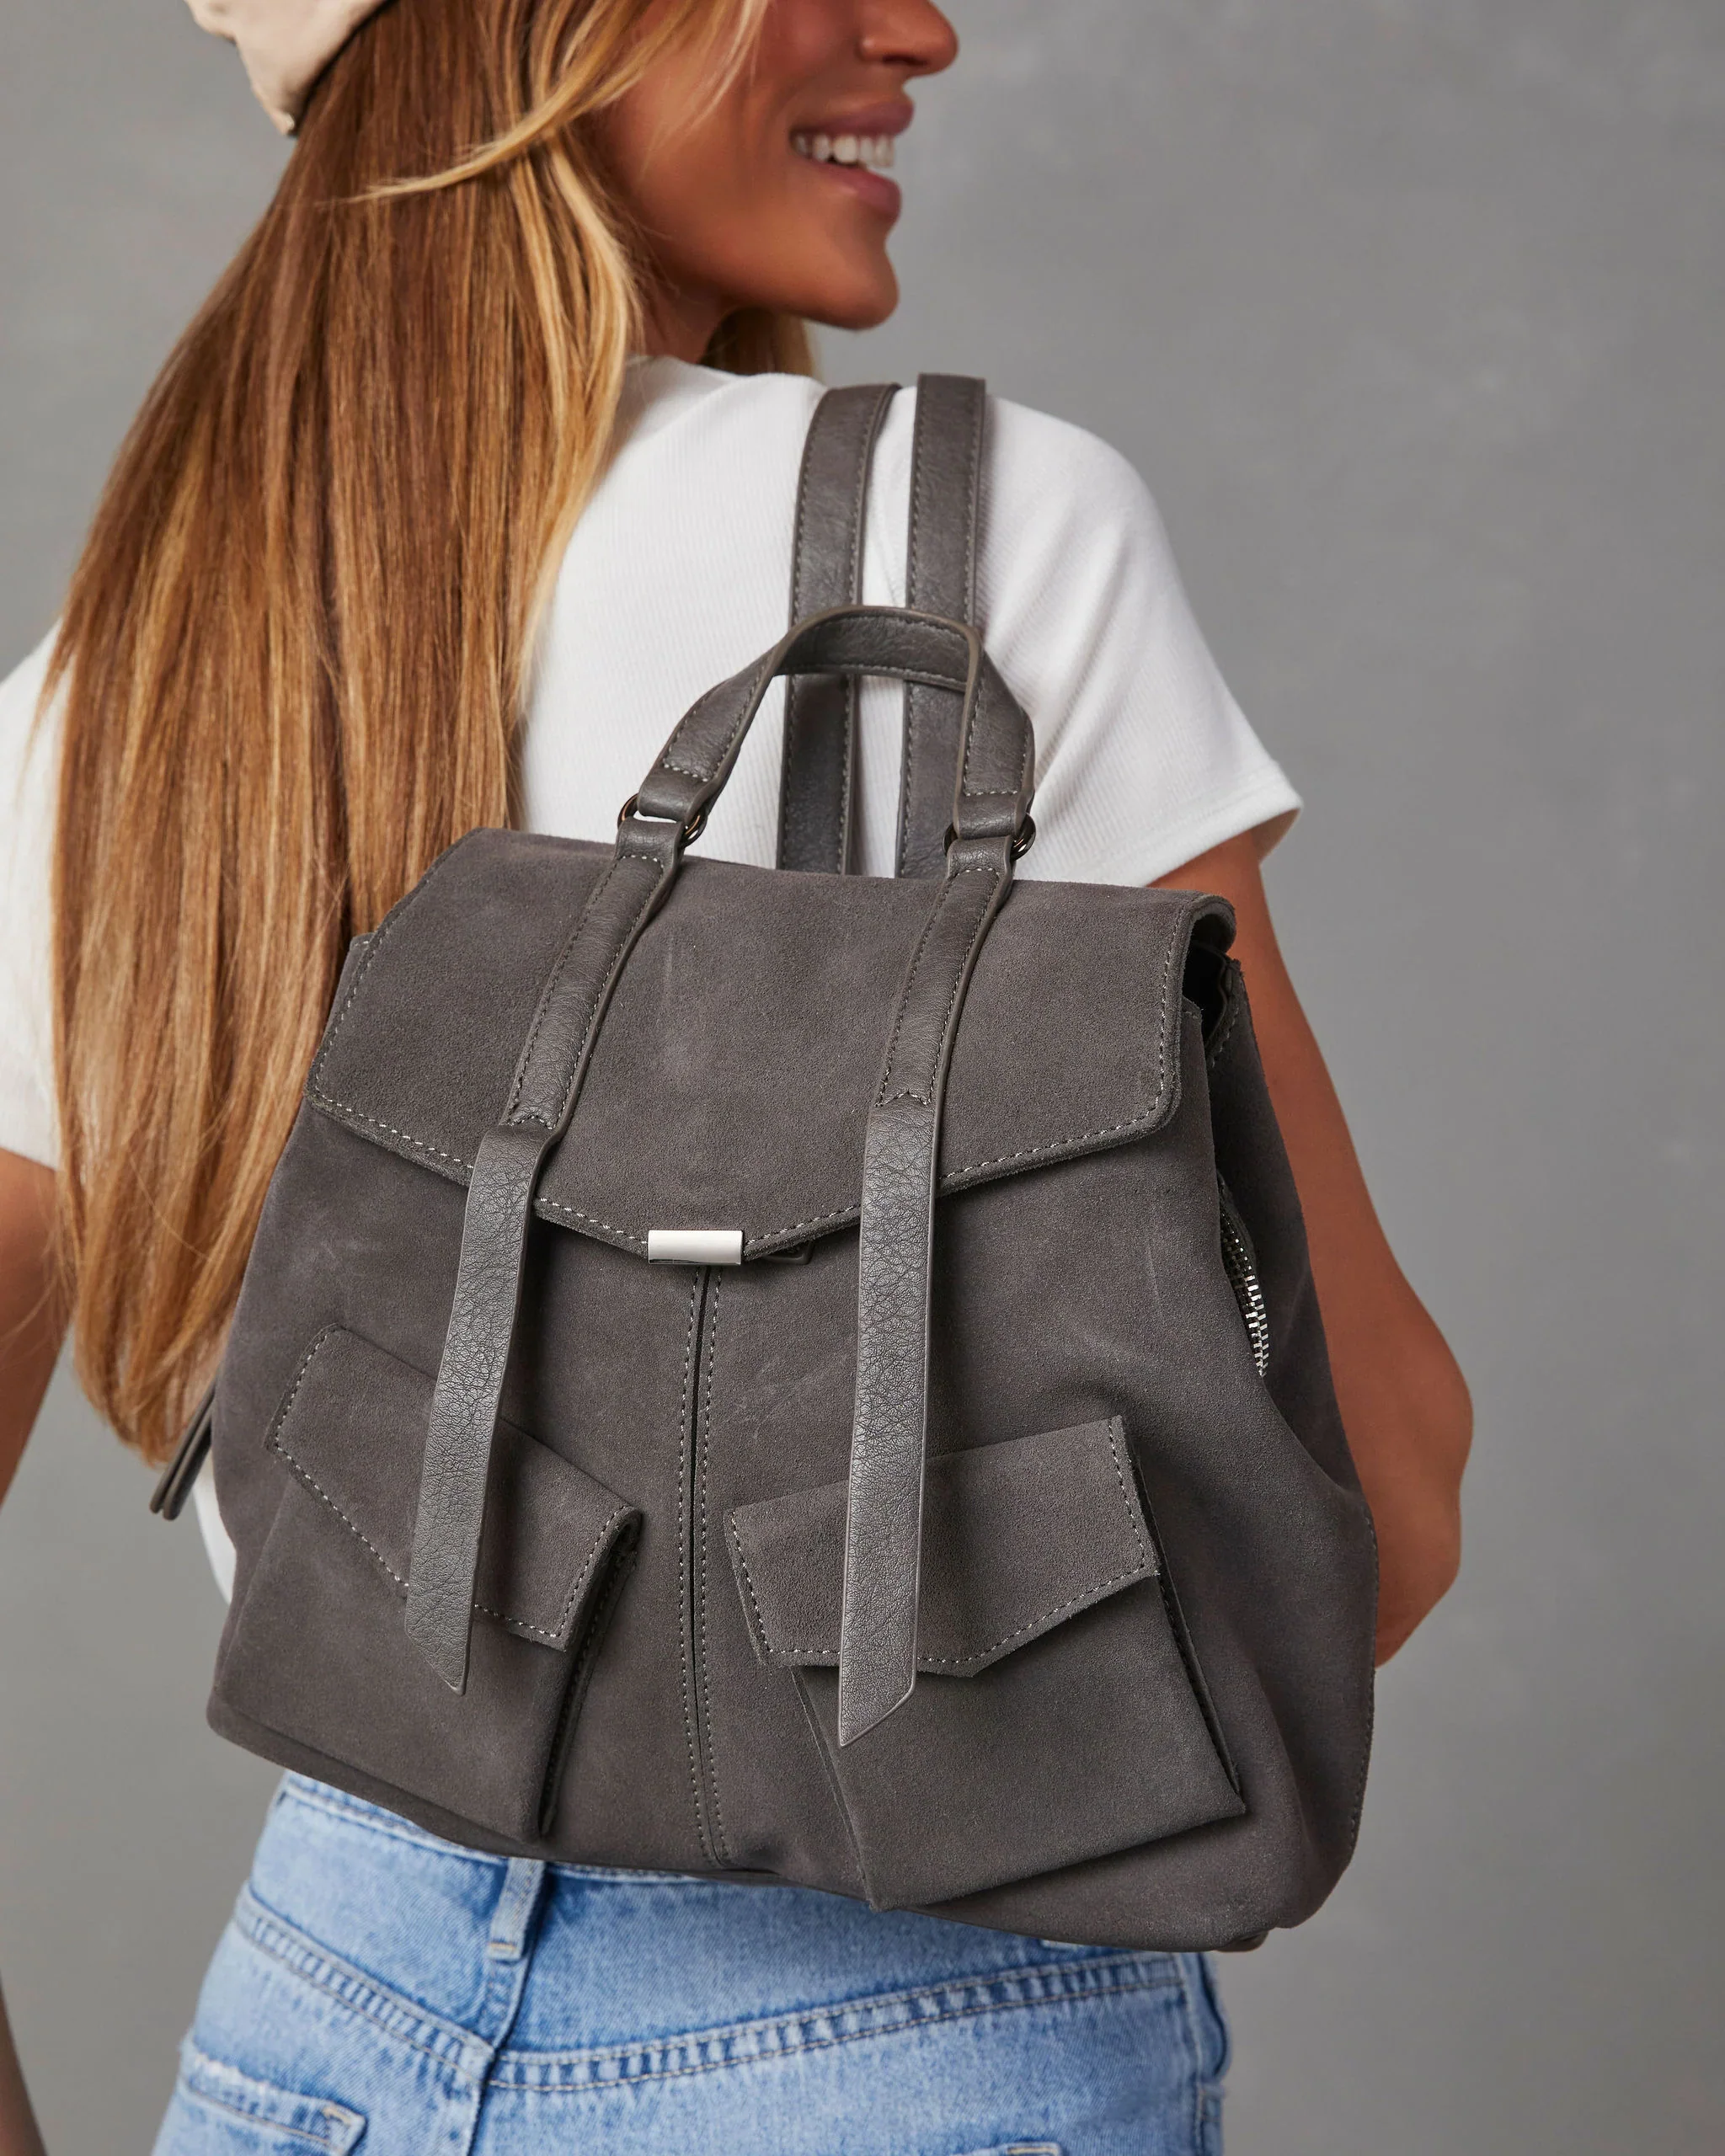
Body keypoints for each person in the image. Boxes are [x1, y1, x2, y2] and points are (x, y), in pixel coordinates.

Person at [0, 0, 1473, 2147]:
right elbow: (1381, 1507)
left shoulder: (120, 684)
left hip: (320, 2018)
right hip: (901, 2025)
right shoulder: (982, 544)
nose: (919, 28)